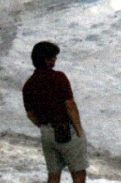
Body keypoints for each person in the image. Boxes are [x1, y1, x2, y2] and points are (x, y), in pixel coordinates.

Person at [23, 41, 88, 183]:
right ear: (47, 60)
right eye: (53, 57)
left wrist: (44, 126)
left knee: (53, 175)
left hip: (46, 133)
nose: (55, 59)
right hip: (66, 131)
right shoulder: (59, 77)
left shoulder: (29, 84)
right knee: (78, 174)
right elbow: (70, 105)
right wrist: (79, 131)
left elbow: (30, 114)